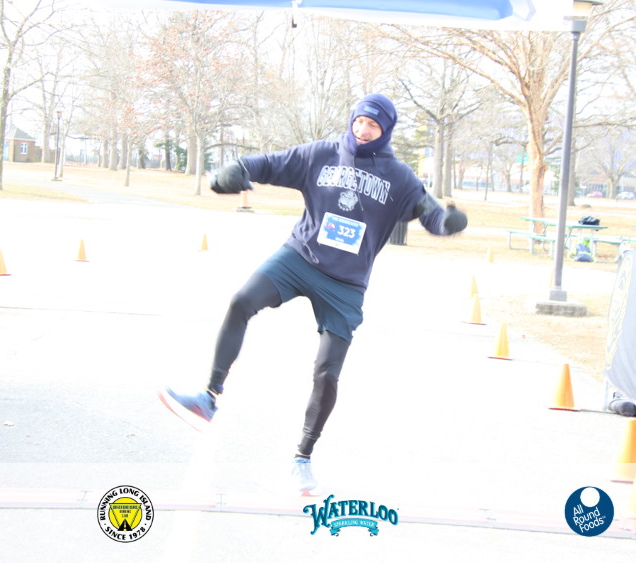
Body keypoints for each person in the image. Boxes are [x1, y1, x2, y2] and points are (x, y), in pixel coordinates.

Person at [158, 93, 468, 493]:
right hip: (300, 258)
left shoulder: (399, 177)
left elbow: (431, 214)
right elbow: (272, 163)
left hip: (346, 284)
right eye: (359, 121)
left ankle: (302, 458)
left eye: (373, 125)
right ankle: (208, 397)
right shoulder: (322, 154)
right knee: (241, 301)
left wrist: (448, 223)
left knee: (327, 373)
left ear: (386, 131)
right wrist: (238, 169)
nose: (363, 130)